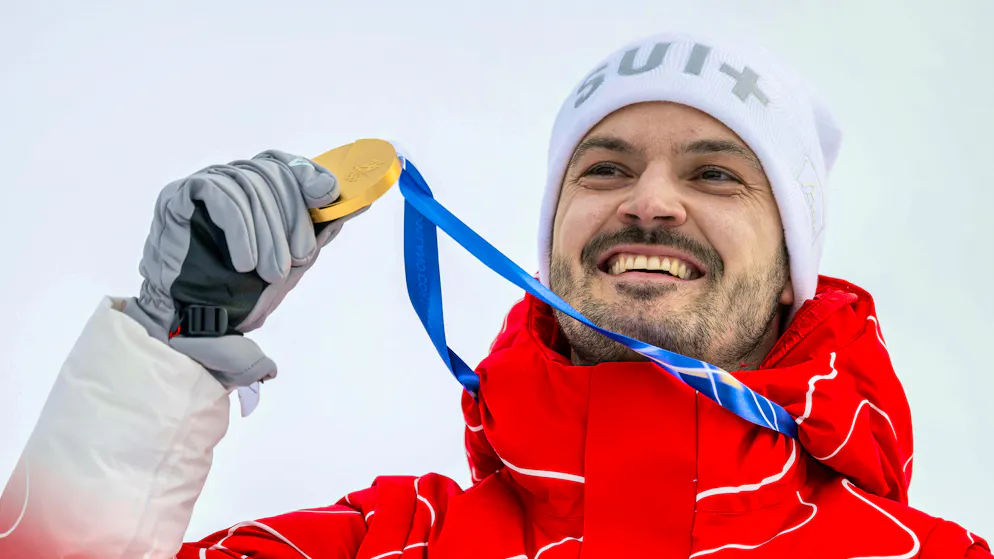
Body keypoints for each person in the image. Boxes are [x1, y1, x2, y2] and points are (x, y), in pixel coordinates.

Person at [0, 30, 989, 559]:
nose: (649, 202)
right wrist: (169, 355)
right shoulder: (376, 548)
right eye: (601, 168)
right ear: (551, 234)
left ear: (791, 270)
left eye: (715, 173)